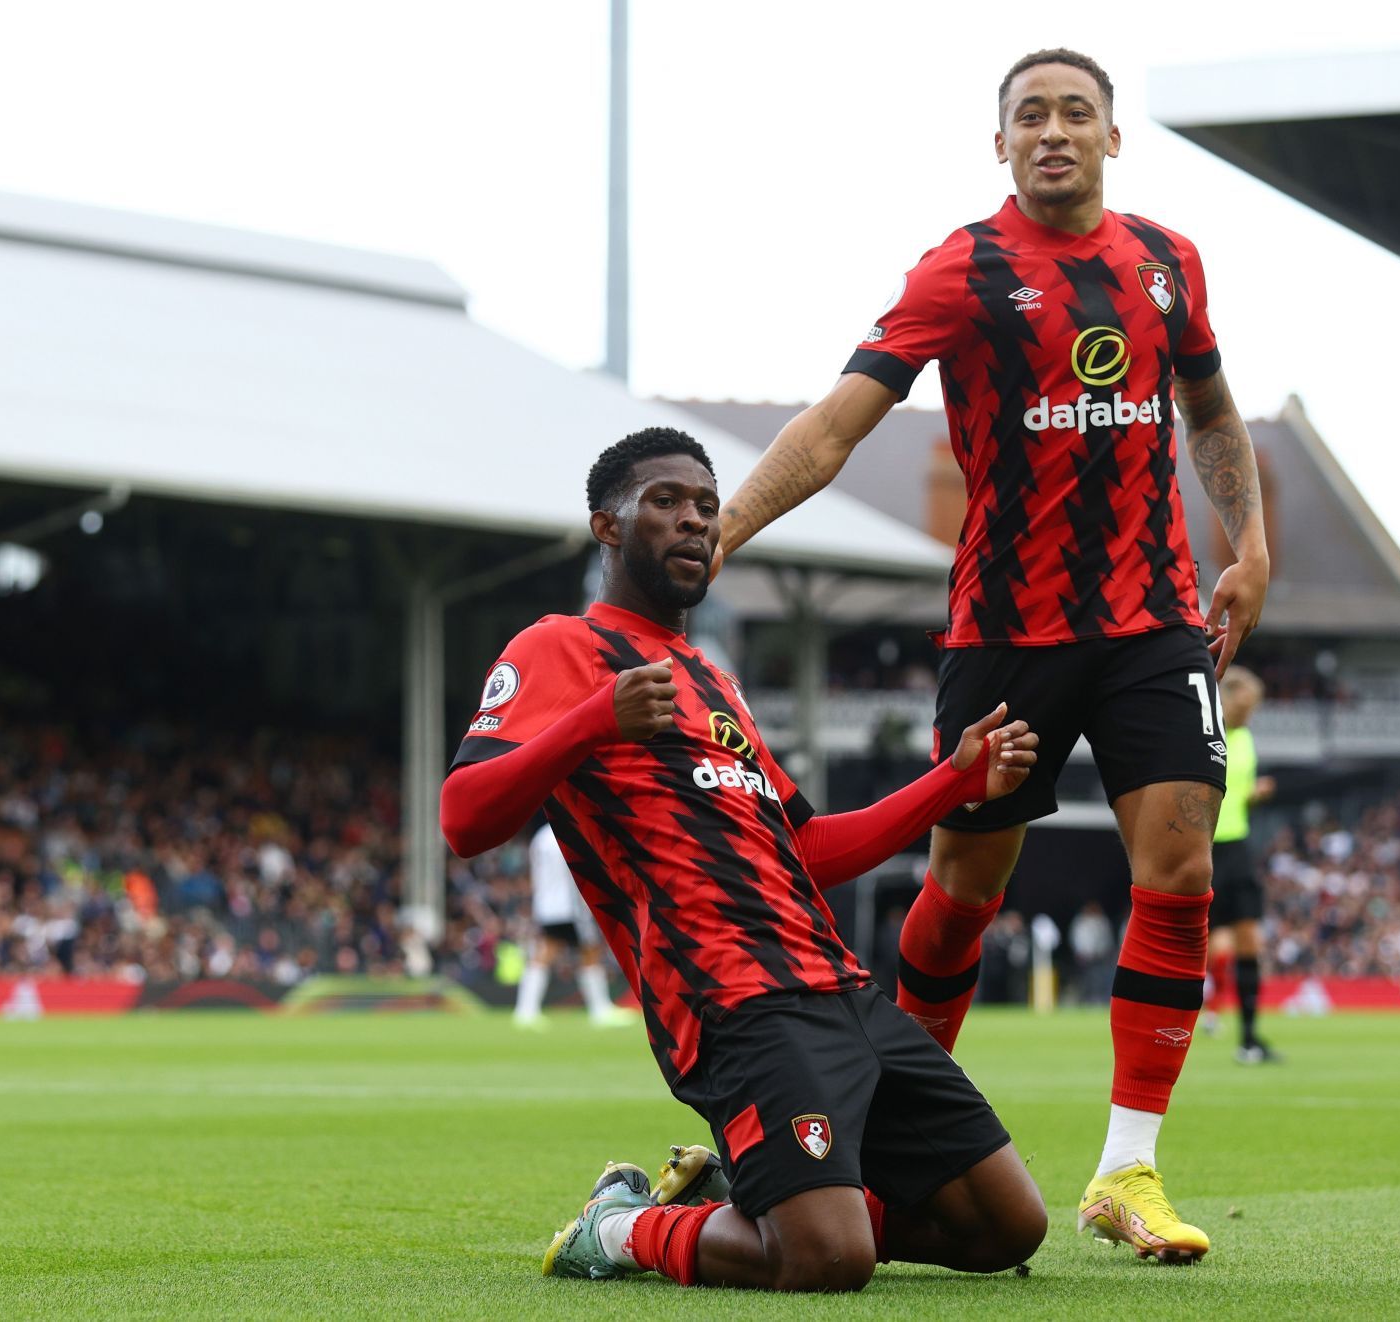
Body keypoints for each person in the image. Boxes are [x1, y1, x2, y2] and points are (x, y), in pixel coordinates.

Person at [711, 47, 1269, 1260]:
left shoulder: (1168, 263)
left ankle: (1128, 1166)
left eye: (1077, 113)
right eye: (1030, 116)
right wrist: (726, 530)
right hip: (1006, 634)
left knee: (1177, 867)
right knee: (964, 890)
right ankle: (877, 1132)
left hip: (1153, 622)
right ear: (1001, 143)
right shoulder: (961, 271)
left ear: (1114, 138)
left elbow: (1214, 411)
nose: (1054, 131)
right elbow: (832, 425)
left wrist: (1253, 540)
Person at [439, 428, 1050, 1291]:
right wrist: (591, 723)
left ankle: (751, 1197)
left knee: (1008, 1226)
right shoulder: (557, 648)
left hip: (838, 986)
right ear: (606, 528)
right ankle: (621, 1227)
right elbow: (462, 818)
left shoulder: (714, 683)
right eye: (665, 503)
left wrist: (952, 782)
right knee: (829, 1259)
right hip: (731, 997)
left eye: (706, 507)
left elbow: (807, 849)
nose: (694, 521)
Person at [1205, 667, 1278, 1063]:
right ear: (1225, 700)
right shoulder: (1203, 734)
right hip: (1206, 848)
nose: (1249, 714)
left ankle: (1249, 1040)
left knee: (1249, 941)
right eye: (1244, 706)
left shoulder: (1246, 739)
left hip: (1239, 848)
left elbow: (1236, 795)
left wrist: (1255, 794)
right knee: (1201, 944)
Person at [512, 820, 634, 1028]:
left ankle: (526, 1009)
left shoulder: (541, 837)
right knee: (590, 951)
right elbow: (577, 871)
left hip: (546, 904)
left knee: (546, 952)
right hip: (571, 905)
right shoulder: (568, 831)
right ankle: (599, 1009)